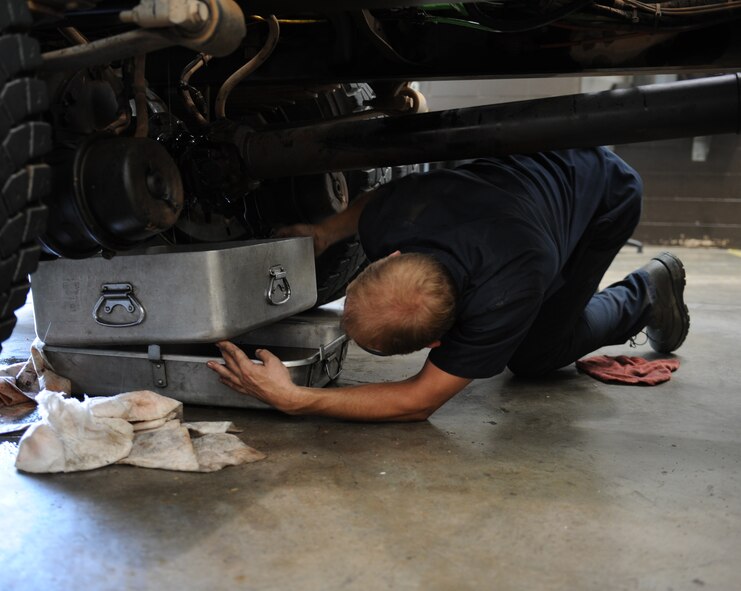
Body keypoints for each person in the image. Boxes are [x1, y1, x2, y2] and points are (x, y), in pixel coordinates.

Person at [207, 148, 690, 422]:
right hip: (529, 161)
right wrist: (327, 231)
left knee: (536, 355)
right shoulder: (396, 218)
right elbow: (376, 201)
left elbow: (419, 401)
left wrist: (298, 399)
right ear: (391, 256)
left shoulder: (511, 289)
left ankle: (646, 292)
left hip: (602, 191)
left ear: (440, 339)